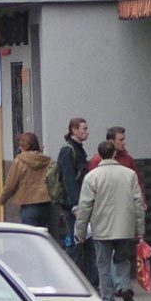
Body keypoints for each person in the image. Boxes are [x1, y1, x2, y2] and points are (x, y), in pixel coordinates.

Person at [74, 140, 145, 301]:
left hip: (102, 228)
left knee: (103, 264)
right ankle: (124, 287)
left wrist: (80, 231)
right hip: (125, 227)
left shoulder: (92, 177)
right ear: (114, 153)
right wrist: (139, 230)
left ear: (99, 155)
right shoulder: (129, 174)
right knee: (122, 260)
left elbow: (85, 206)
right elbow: (138, 203)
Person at [57, 117, 95, 283]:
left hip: (80, 203)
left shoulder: (77, 149)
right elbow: (69, 179)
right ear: (74, 130)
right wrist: (75, 205)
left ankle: (86, 280)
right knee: (75, 242)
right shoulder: (68, 151)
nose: (87, 132)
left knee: (85, 241)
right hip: (73, 205)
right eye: (83, 129)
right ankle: (73, 280)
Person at [87, 126, 147, 211]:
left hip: (125, 206)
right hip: (105, 208)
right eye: (121, 140)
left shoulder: (128, 159)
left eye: (124, 139)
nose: (124, 143)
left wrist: (142, 200)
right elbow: (91, 187)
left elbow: (138, 182)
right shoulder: (96, 161)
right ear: (111, 141)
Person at [0, 132, 52, 228]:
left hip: (28, 205)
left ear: (23, 146)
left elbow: (10, 185)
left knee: (30, 236)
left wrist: (2, 200)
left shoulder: (19, 161)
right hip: (45, 203)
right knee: (43, 237)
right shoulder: (46, 160)